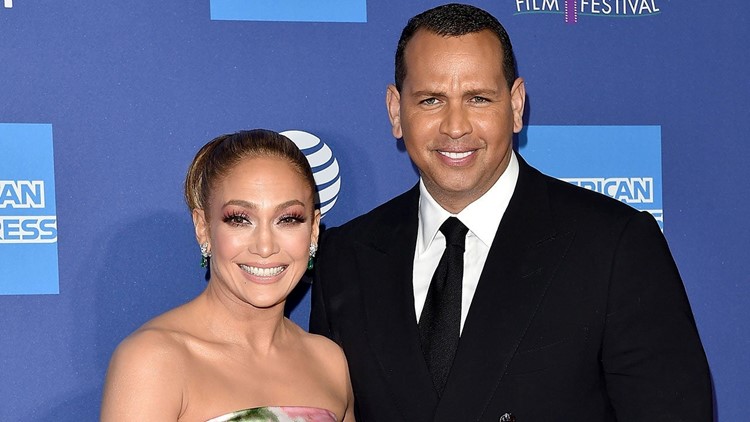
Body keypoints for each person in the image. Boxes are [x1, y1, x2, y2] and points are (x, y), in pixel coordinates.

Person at [310, 3, 712, 421]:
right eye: (431, 100)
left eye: (478, 99)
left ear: (516, 105)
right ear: (396, 111)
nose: (455, 126)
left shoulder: (613, 246)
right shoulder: (346, 259)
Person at [101, 130, 355, 421]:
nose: (265, 247)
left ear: (313, 230)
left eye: (287, 219)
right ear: (203, 228)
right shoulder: (154, 361)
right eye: (240, 219)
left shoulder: (329, 363)